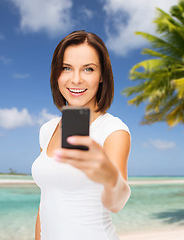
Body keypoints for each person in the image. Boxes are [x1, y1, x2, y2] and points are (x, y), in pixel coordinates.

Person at [31, 30, 131, 240]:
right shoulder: (46, 130)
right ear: (56, 73)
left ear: (102, 75)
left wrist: (109, 175)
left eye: (88, 69)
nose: (76, 80)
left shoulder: (113, 130)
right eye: (66, 68)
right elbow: (46, 202)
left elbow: (117, 203)